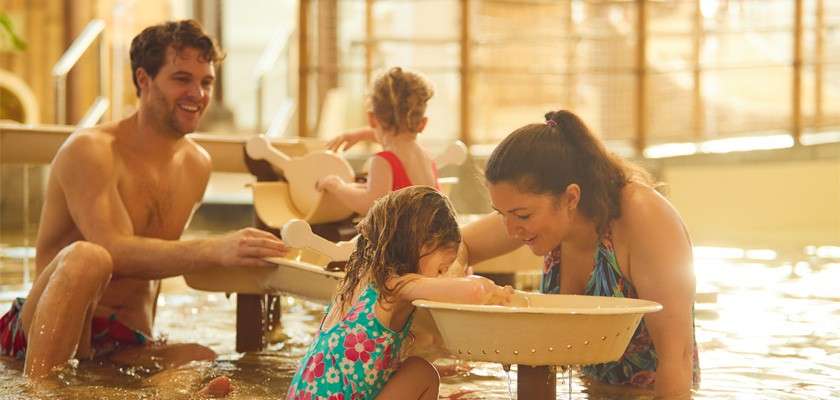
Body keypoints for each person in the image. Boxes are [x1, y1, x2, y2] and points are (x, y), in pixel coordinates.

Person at [0, 20, 288, 390]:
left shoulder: (196, 164)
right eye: (182, 79)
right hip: (45, 333)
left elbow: (162, 258)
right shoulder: (91, 150)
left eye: (206, 82)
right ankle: (39, 391)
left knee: (199, 359)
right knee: (90, 256)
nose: (197, 93)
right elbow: (113, 250)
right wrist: (215, 248)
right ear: (143, 80)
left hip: (127, 343)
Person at [459, 110, 700, 397]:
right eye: (502, 214)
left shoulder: (644, 216)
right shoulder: (540, 221)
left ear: (571, 197)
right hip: (591, 390)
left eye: (521, 215)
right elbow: (458, 247)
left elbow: (677, 358)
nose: (510, 230)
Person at [285, 186, 513, 400]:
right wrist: (496, 292)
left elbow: (364, 362)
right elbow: (475, 291)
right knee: (422, 373)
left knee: (414, 365)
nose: (441, 277)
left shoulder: (363, 279)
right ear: (420, 246)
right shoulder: (397, 286)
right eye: (442, 268)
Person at [317, 67, 440, 214]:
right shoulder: (425, 157)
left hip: (403, 237)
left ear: (371, 118)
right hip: (429, 234)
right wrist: (359, 135)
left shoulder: (383, 161)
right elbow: (395, 136)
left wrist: (338, 187)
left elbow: (369, 205)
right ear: (423, 123)